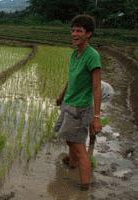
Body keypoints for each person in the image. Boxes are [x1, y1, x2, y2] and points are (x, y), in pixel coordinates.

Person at [56, 15, 102, 191]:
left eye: (79, 31)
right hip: (69, 104)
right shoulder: (75, 53)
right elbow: (71, 79)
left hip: (80, 108)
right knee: (69, 140)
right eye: (73, 30)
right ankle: (73, 163)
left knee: (80, 148)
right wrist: (62, 96)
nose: (74, 34)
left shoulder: (92, 56)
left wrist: (96, 117)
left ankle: (84, 188)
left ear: (88, 34)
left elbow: (97, 87)